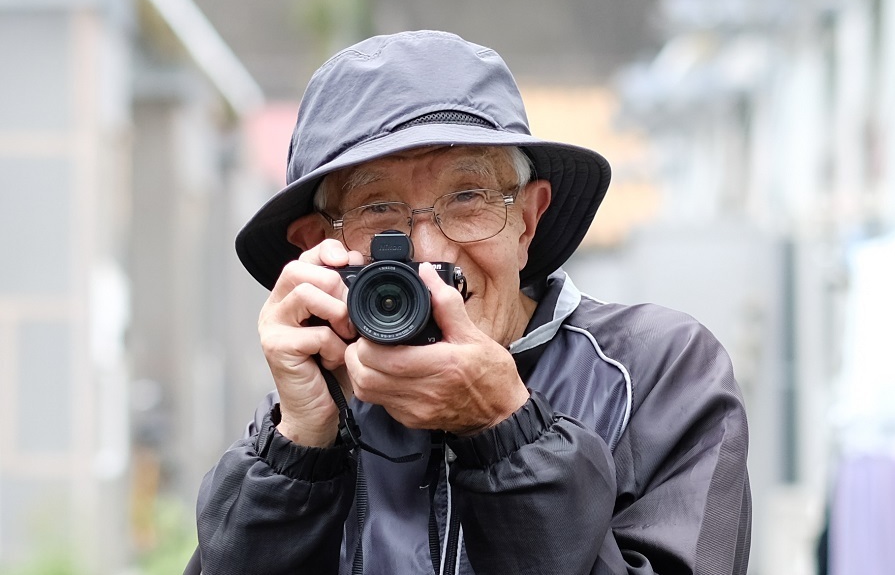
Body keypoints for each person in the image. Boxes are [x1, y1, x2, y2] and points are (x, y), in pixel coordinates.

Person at [185, 30, 751, 575]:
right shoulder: (310, 416)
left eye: (467, 197)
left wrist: (504, 426)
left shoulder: (654, 374)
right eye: (378, 211)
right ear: (317, 249)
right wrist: (299, 449)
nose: (429, 253)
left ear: (527, 221)